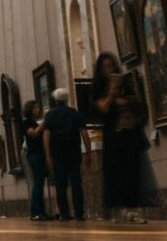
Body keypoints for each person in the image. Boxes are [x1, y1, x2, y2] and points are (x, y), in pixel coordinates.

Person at [92, 52, 149, 223]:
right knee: (115, 172)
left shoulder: (126, 83)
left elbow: (136, 102)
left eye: (111, 66)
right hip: (112, 136)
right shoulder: (98, 88)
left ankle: (133, 209)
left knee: (132, 170)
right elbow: (102, 108)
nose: (109, 70)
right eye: (105, 67)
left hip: (129, 133)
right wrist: (111, 92)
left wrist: (124, 101)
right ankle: (119, 209)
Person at [43, 87, 90, 222]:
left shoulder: (50, 115)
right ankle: (79, 213)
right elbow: (84, 133)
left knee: (61, 183)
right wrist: (88, 151)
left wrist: (48, 155)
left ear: (55, 99)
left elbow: (46, 135)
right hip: (74, 151)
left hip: (58, 153)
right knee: (76, 182)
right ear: (67, 99)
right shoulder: (74, 113)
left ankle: (64, 213)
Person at [20, 99, 47, 220]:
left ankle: (41, 211)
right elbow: (34, 134)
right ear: (30, 110)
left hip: (39, 154)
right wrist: (44, 122)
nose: (38, 109)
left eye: (38, 107)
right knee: (37, 184)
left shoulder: (34, 122)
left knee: (40, 184)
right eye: (35, 107)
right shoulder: (26, 122)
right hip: (34, 155)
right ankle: (35, 212)